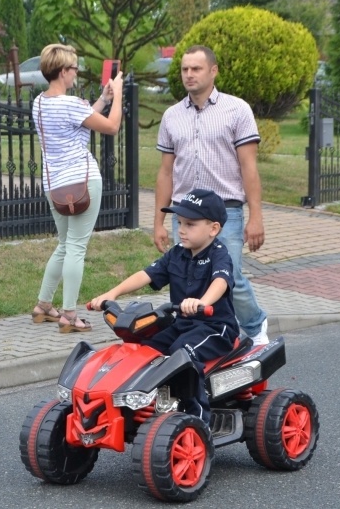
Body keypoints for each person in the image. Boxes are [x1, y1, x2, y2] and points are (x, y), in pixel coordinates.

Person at [90, 188, 238, 425]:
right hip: (182, 323)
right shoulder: (177, 253)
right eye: (179, 222)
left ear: (213, 229)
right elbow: (147, 274)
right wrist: (113, 292)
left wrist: (202, 302)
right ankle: (142, 405)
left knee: (182, 352)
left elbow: (220, 281)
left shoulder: (219, 255)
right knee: (144, 346)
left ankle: (198, 419)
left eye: (190, 224)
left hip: (214, 327)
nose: (181, 229)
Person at [154, 44, 269, 345]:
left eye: (196, 69)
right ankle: (199, 336)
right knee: (189, 279)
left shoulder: (237, 110)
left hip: (225, 212)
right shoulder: (171, 116)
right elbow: (166, 172)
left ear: (213, 71)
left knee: (231, 280)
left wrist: (256, 217)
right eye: (184, 69)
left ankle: (256, 329)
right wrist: (158, 222)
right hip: (186, 213)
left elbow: (249, 167)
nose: (189, 75)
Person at [31, 44, 124, 333]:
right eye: (73, 69)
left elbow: (79, 119)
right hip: (83, 184)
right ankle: (69, 315)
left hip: (55, 185)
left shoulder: (40, 103)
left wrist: (101, 99)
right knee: (76, 248)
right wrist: (117, 96)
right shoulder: (70, 104)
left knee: (64, 244)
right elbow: (111, 126)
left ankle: (44, 305)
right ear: (62, 71)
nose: (76, 74)